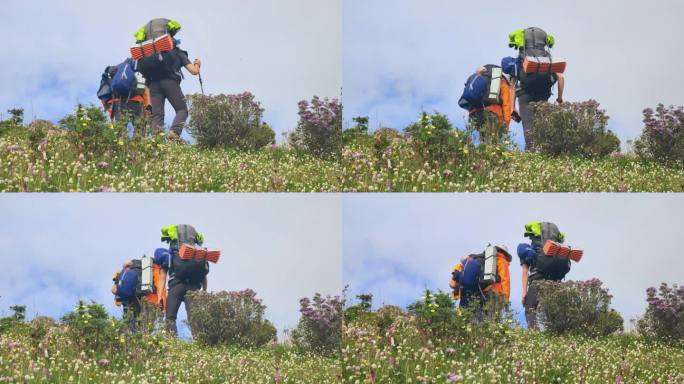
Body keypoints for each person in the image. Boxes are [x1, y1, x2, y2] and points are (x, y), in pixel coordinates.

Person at [506, 27, 565, 150]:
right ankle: (545, 152)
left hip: (524, 96)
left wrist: (512, 108)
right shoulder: (546, 58)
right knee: (542, 124)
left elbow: (512, 85)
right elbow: (560, 77)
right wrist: (559, 99)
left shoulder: (521, 58)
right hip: (543, 95)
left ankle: (530, 151)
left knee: (528, 124)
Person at [154, 224, 208, 336]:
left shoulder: (170, 254)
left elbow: (162, 276)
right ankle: (199, 342)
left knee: (170, 317)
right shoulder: (196, 255)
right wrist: (204, 291)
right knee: (194, 318)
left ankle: (171, 342)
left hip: (175, 286)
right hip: (193, 287)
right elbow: (203, 274)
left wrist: (159, 297)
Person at [517, 222, 570, 330]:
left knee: (530, 308)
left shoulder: (530, 249)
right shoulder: (555, 249)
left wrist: (524, 292)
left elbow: (525, 271)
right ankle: (558, 335)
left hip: (537, 282)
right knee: (554, 311)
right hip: (555, 283)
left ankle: (535, 335)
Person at [449, 245, 511, 321]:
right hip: (490, 295)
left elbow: (453, 281)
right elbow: (505, 281)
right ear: (505, 254)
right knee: (487, 322)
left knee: (465, 320)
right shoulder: (502, 261)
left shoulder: (475, 258)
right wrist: (505, 302)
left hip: (470, 293)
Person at [468, 65, 513, 144]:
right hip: (492, 113)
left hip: (476, 114)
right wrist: (506, 125)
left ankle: (483, 155)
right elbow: (506, 105)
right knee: (493, 144)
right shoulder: (502, 81)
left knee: (484, 141)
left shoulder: (481, 78)